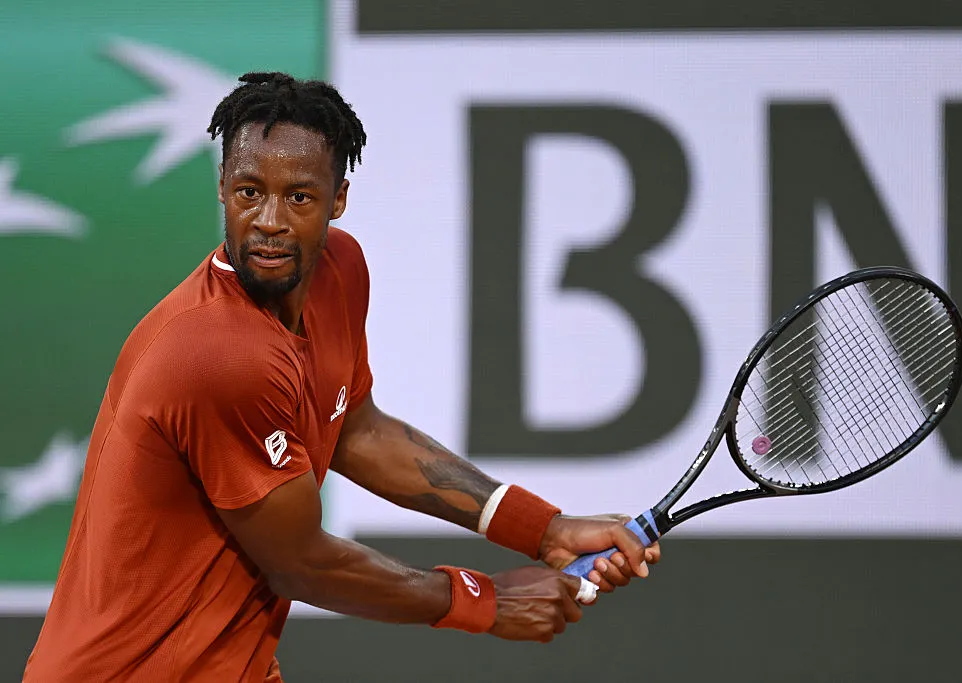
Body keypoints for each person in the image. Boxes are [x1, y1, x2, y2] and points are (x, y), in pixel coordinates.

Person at [23, 72, 660, 682]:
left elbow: (356, 430)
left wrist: (543, 528)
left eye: (299, 197)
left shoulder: (340, 270)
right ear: (221, 187)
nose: (269, 220)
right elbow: (300, 563)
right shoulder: (218, 354)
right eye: (249, 192)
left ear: (339, 199)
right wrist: (486, 600)